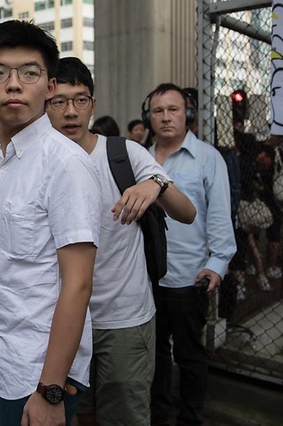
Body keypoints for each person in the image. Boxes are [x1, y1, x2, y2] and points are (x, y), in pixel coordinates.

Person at [46, 57, 196, 426]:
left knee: (124, 414)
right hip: (63, 318)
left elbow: (187, 213)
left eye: (80, 100)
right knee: (77, 411)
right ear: (45, 104)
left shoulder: (124, 153)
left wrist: (155, 184)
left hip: (124, 319)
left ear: (93, 105)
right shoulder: (41, 162)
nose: (70, 111)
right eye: (59, 101)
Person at [0, 20, 102, 425]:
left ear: (48, 87)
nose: (14, 84)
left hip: (40, 370)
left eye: (29, 72)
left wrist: (51, 390)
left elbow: (78, 284)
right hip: (1, 356)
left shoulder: (66, 164)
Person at [146, 83, 236, 426]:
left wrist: (217, 264)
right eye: (158, 111)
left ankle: (191, 418)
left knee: (189, 355)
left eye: (173, 109)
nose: (166, 117)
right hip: (146, 278)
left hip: (189, 277)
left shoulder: (207, 158)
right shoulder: (139, 156)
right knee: (153, 355)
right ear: (148, 116)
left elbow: (218, 215)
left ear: (188, 115)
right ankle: (157, 414)